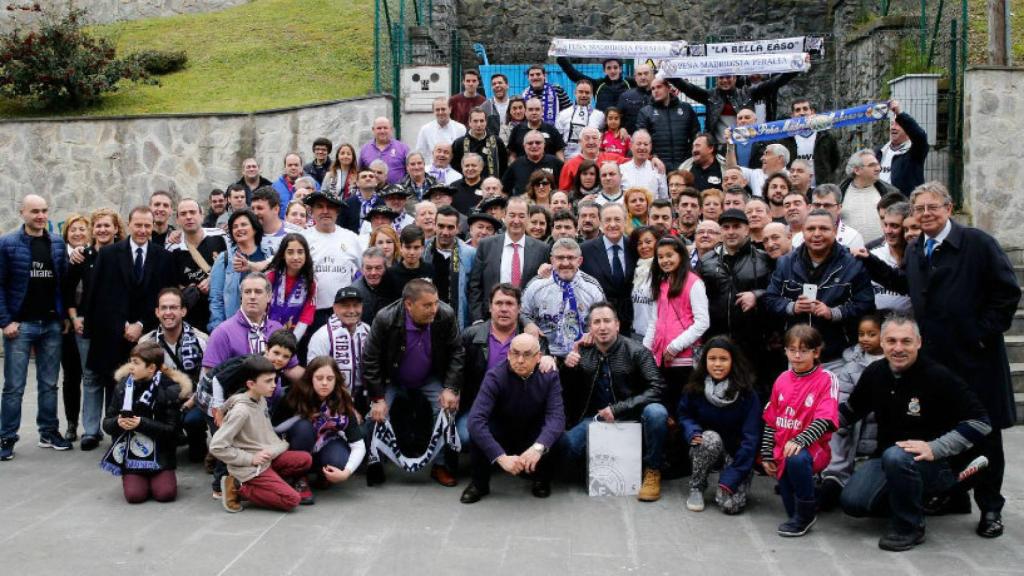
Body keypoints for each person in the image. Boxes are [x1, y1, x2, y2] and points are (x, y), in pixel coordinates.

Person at [854, 182, 1021, 538]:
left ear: (949, 207)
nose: (926, 214)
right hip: (934, 362)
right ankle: (953, 496)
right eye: (920, 209)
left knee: (984, 434)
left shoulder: (977, 243)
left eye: (933, 207)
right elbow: (907, 284)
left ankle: (991, 508)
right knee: (940, 430)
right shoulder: (917, 248)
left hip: (976, 360)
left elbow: (1007, 292)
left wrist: (980, 333)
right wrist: (873, 267)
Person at [838, 314, 992, 551]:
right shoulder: (875, 372)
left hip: (933, 461)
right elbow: (850, 412)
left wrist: (935, 447)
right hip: (886, 459)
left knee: (897, 456)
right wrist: (807, 428)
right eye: (891, 341)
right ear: (882, 342)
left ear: (919, 342)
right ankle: (935, 499)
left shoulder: (938, 376)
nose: (898, 348)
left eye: (906, 341)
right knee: (853, 503)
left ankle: (909, 526)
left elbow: (981, 421)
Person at [84, 206, 176, 450]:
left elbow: (162, 296)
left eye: (147, 225)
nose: (143, 230)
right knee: (111, 381)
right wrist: (121, 324)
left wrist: (141, 325)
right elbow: (99, 295)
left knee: (141, 383)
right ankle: (108, 430)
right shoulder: (109, 254)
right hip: (112, 331)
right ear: (129, 224)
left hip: (145, 333)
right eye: (138, 225)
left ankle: (139, 428)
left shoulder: (163, 257)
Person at [560, 302, 669, 502]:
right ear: (589, 328)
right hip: (596, 420)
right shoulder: (583, 351)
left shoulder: (637, 351)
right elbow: (567, 392)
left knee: (657, 412)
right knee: (566, 447)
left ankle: (653, 470)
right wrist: (568, 366)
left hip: (634, 416)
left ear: (617, 325)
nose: (602, 327)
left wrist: (618, 409)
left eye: (607, 321)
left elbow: (658, 387)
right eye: (597, 322)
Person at [362, 279, 465, 486]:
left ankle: (441, 465)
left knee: (446, 410)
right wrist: (378, 398)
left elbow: (457, 352)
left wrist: (451, 388)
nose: (434, 309)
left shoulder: (445, 314)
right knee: (375, 415)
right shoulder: (385, 318)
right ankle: (375, 464)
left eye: (436, 303)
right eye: (427, 305)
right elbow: (370, 359)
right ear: (408, 304)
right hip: (392, 378)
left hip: (430, 376)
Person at [0, 194, 71, 459]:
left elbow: (62, 283)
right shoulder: (7, 244)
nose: (40, 216)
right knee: (14, 387)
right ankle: (6, 438)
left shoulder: (55, 243)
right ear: (22, 213)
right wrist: (5, 321)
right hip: (20, 326)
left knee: (49, 383)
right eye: (34, 211)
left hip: (51, 324)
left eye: (44, 210)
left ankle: (49, 432)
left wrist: (62, 315)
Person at [763, 209, 875, 366]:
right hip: (797, 355)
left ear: (835, 231)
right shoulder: (785, 263)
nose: (816, 234)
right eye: (810, 229)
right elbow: (770, 299)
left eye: (824, 228)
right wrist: (792, 306)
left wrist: (834, 312)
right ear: (802, 232)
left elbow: (866, 303)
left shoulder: (853, 263)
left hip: (839, 356)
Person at [461, 333, 564, 503]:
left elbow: (557, 417)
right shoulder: (495, 376)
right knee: (476, 433)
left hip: (533, 430)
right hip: (503, 429)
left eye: (527, 354)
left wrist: (539, 448)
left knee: (558, 438)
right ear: (508, 354)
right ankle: (479, 483)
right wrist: (500, 457)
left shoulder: (549, 376)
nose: (520, 360)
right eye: (515, 353)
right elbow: (475, 420)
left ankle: (541, 479)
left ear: (538, 357)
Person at [762, 325, 839, 537]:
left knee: (796, 460)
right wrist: (767, 452)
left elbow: (826, 418)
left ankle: (807, 516)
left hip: (812, 450)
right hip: (783, 450)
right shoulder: (782, 378)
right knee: (790, 509)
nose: (797, 355)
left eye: (804, 350)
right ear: (785, 350)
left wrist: (800, 440)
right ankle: (818, 495)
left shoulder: (826, 379)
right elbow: (771, 419)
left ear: (816, 352)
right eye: (792, 349)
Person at [210, 355, 313, 513]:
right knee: (292, 500)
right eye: (268, 381)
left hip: (266, 457)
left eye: (274, 379)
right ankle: (238, 487)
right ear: (251, 384)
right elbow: (217, 446)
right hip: (250, 467)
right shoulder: (241, 412)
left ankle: (268, 482)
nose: (274, 385)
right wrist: (250, 459)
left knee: (305, 459)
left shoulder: (260, 399)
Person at [678, 336, 762, 514]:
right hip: (708, 447)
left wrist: (731, 478)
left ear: (733, 361)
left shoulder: (747, 393)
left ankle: (729, 479)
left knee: (729, 506)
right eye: (712, 359)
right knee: (709, 439)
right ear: (704, 361)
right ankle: (697, 487)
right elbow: (684, 415)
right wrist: (692, 432)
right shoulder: (695, 387)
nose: (717, 364)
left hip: (736, 454)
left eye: (723, 359)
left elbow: (751, 438)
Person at [64, 208, 124, 450]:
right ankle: (90, 431)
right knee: (90, 377)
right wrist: (74, 317)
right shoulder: (82, 256)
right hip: (86, 327)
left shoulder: (122, 255)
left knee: (113, 378)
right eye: (98, 226)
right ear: (93, 230)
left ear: (116, 228)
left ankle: (112, 428)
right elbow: (67, 290)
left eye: (107, 225)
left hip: (114, 328)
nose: (102, 230)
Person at [100, 341, 190, 503]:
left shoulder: (169, 390)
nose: (130, 367)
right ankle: (134, 477)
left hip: (161, 454)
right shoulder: (123, 386)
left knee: (165, 494)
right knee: (135, 496)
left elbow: (172, 431)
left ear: (151, 368)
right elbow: (107, 423)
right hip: (131, 454)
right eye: (130, 362)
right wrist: (118, 422)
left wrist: (142, 424)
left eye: (136, 363)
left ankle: (159, 477)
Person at [699, 209, 773, 392]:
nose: (731, 231)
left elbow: (777, 292)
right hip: (716, 339)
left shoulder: (764, 259)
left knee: (751, 391)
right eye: (726, 227)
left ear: (747, 229)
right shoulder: (707, 260)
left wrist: (757, 295)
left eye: (736, 227)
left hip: (753, 343)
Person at [817, 312, 885, 509]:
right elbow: (843, 400)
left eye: (871, 334)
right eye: (861, 334)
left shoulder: (893, 361)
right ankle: (834, 480)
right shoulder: (851, 365)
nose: (865, 339)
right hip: (853, 427)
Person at [279, 356, 365, 499]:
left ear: (336, 379)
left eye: (330, 378)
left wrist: (346, 473)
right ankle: (299, 477)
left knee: (338, 461)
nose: (324, 383)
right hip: (296, 448)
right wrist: (302, 416)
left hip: (326, 442)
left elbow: (358, 445)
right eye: (319, 378)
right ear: (310, 378)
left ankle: (323, 473)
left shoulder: (342, 400)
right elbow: (275, 428)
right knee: (303, 427)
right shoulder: (295, 396)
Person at [138, 287, 209, 461]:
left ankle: (195, 439)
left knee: (196, 449)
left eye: (173, 308)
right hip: (161, 402)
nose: (168, 313)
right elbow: (139, 381)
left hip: (193, 401)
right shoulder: (146, 343)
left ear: (183, 311)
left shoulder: (201, 340)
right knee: (163, 456)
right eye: (164, 308)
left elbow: (207, 380)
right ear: (157, 312)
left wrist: (193, 401)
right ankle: (170, 437)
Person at [643, 236, 709, 409]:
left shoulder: (694, 283)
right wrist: (645, 351)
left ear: (681, 255)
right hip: (661, 359)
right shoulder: (661, 283)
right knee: (666, 408)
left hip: (684, 360)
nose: (665, 260)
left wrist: (674, 346)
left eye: (669, 255)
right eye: (661, 257)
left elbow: (702, 322)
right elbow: (654, 321)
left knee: (683, 408)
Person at [468, 197, 551, 323]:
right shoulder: (486, 245)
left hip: (527, 321)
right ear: (504, 216)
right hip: (490, 319)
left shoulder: (541, 249)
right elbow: (475, 286)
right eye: (512, 215)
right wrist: (477, 318)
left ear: (528, 218)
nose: (516, 221)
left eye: (521, 216)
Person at [521, 238, 604, 358]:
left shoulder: (592, 288)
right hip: (544, 355)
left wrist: (592, 333)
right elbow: (522, 312)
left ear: (579, 261)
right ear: (552, 260)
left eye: (570, 258)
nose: (565, 263)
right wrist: (528, 323)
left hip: (583, 354)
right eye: (560, 258)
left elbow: (604, 318)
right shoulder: (536, 285)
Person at [301, 188, 363, 343]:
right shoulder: (302, 239)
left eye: (330, 207)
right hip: (310, 313)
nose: (325, 211)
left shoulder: (351, 238)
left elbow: (365, 271)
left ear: (337, 211)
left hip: (343, 313)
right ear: (312, 211)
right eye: (320, 207)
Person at [673, 69, 799, 144]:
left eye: (728, 77)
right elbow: (687, 88)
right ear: (716, 79)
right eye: (721, 77)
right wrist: (668, 73)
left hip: (745, 143)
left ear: (735, 78)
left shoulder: (748, 93)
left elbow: (774, 83)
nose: (725, 80)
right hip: (719, 147)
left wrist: (797, 67)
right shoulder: (710, 95)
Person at [307, 287, 372, 413]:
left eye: (356, 305)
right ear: (335, 308)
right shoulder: (322, 336)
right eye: (346, 306)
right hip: (333, 400)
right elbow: (314, 377)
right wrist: (345, 408)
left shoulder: (368, 330)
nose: (352, 311)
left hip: (365, 396)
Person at [168, 198, 227, 332]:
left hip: (222, 314)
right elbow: (172, 286)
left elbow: (233, 268)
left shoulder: (221, 237)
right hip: (191, 320)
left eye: (192, 212)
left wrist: (213, 279)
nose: (188, 217)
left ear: (201, 215)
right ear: (177, 220)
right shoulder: (172, 249)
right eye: (183, 214)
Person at [207, 210, 267, 332]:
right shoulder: (224, 259)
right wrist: (218, 329)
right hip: (233, 328)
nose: (239, 229)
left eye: (243, 224)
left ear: (254, 228)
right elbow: (216, 299)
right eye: (235, 227)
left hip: (265, 326)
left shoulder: (268, 255)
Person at [580, 203, 635, 332]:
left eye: (617, 219)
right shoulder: (585, 250)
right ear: (600, 222)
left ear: (625, 221)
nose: (612, 224)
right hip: (599, 323)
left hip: (632, 322)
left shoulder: (635, 247)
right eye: (608, 220)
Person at [59, 214, 90, 441]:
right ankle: (71, 423)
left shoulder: (94, 255)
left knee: (93, 377)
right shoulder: (59, 257)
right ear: (66, 234)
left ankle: (94, 425)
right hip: (67, 326)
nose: (78, 233)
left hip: (91, 324)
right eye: (73, 230)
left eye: (82, 229)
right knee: (71, 377)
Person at [423, 205, 477, 330]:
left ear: (458, 228)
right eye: (441, 226)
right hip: (426, 322)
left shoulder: (469, 254)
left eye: (450, 227)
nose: (445, 232)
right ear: (434, 225)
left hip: (456, 322)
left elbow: (474, 291)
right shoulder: (423, 250)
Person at [769, 98, 841, 185]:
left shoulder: (826, 137)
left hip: (821, 188)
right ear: (792, 115)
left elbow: (834, 161)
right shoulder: (786, 140)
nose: (802, 113)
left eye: (805, 109)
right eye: (798, 110)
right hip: (795, 188)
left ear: (812, 112)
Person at [636, 77, 699, 170]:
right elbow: (642, 140)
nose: (655, 91)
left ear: (668, 88)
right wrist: (653, 157)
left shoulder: (686, 108)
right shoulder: (645, 112)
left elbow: (696, 135)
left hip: (684, 164)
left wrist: (691, 156)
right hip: (657, 165)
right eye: (653, 88)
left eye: (659, 87)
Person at [263, 233, 317, 340]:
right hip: (266, 333)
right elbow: (261, 307)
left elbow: (306, 316)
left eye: (300, 252)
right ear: (283, 255)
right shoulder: (271, 276)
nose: (296, 257)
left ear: (306, 255)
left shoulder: (310, 282)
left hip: (295, 337)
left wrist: (292, 341)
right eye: (290, 252)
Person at [839, 149, 902, 239]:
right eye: (872, 165)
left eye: (877, 164)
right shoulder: (839, 193)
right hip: (848, 251)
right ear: (857, 170)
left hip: (881, 250)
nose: (878, 168)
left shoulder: (890, 192)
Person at [876, 100, 928, 196]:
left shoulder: (915, 152)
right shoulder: (879, 152)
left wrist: (899, 114)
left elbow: (920, 136)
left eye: (898, 124)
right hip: (880, 205)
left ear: (907, 129)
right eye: (892, 124)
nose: (893, 127)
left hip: (903, 206)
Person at [868, 201, 912, 313]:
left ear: (906, 227)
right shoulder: (872, 254)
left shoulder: (919, 256)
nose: (888, 231)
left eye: (894, 226)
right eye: (885, 225)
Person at [793, 184, 866, 250]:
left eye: (827, 205)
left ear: (839, 208)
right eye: (817, 205)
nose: (821, 209)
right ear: (811, 207)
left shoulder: (853, 237)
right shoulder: (798, 238)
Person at [556, 56, 632, 112]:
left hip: (623, 127)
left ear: (620, 69)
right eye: (609, 68)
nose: (612, 71)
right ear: (604, 70)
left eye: (615, 67)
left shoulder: (629, 83)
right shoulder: (598, 84)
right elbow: (575, 76)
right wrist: (560, 57)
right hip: (602, 124)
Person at [451, 108, 508, 180]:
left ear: (486, 122)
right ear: (469, 122)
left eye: (482, 121)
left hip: (490, 186)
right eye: (475, 121)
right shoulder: (459, 144)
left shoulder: (497, 142)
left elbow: (503, 166)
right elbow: (455, 167)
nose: (479, 124)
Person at [555, 79, 605, 159]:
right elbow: (557, 144)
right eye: (581, 92)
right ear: (575, 93)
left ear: (592, 95)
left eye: (587, 92)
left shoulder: (600, 116)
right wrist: (563, 164)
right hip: (568, 161)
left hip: (591, 162)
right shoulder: (563, 115)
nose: (584, 95)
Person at [628, 226, 661, 340]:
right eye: (639, 243)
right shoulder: (636, 269)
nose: (644, 246)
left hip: (657, 336)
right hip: (637, 334)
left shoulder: (663, 270)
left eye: (648, 242)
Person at [350, 247, 397, 325]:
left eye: (378, 268)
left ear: (385, 268)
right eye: (368, 268)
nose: (373, 273)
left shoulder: (395, 286)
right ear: (361, 269)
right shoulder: (354, 292)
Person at [359, 117, 409, 185]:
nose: (382, 131)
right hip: (371, 192)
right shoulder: (365, 149)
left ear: (390, 129)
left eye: (385, 128)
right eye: (379, 128)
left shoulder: (403, 148)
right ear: (373, 130)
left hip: (396, 193)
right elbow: (360, 172)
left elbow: (410, 171)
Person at [620, 130, 668, 200]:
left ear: (650, 147)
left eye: (646, 144)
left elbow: (664, 198)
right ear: (631, 145)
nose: (642, 148)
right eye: (638, 144)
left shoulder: (658, 168)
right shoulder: (622, 169)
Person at [388, 225, 433, 293]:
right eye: (408, 247)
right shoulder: (390, 274)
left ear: (422, 248)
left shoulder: (430, 270)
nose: (412, 252)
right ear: (400, 247)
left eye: (416, 247)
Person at [272, 154, 317, 218]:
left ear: (301, 167)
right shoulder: (275, 187)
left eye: (296, 165)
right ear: (285, 167)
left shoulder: (313, 184)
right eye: (290, 165)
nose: (293, 168)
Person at [616, 63, 654, 133]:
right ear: (635, 77)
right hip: (632, 141)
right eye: (639, 74)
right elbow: (617, 118)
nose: (643, 77)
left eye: (646, 73)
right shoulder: (625, 96)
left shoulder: (659, 95)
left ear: (652, 76)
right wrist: (621, 128)